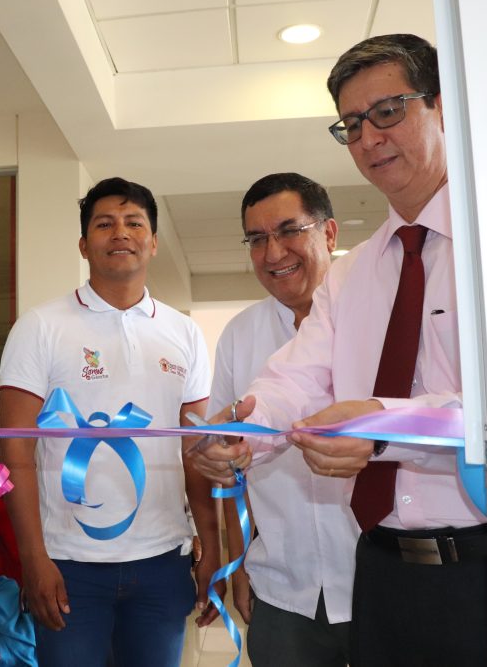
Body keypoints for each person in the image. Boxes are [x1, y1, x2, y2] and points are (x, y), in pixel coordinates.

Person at [193, 34, 487, 666]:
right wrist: (248, 429)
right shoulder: (353, 278)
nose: (369, 138)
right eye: (352, 124)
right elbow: (296, 380)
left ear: (444, 107)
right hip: (380, 568)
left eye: (389, 111)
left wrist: (380, 431)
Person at [0, 177, 219, 667]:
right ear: (84, 243)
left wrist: (212, 545)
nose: (120, 232)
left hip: (163, 560)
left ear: (154, 242)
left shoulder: (183, 333)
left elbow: (196, 450)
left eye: (134, 222)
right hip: (70, 565)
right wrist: (33, 559)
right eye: (104, 224)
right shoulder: (41, 326)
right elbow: (16, 453)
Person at [211, 172, 354, 666]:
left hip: (377, 583)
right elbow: (230, 467)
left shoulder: (373, 314)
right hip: (281, 587)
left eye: (289, 230)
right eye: (256, 239)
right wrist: (238, 563)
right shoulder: (239, 335)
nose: (273, 253)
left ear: (329, 234)